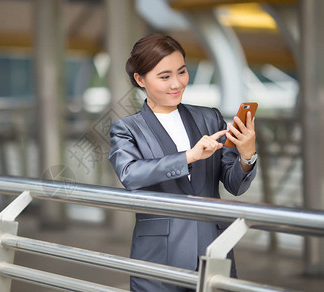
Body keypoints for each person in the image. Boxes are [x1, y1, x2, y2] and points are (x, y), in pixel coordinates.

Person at [108, 34, 257, 291]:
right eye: (164, 77)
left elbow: (235, 185)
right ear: (140, 79)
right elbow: (130, 175)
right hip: (159, 256)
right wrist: (190, 156)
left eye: (182, 72)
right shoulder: (126, 129)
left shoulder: (209, 118)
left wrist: (247, 154)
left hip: (212, 248)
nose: (177, 84)